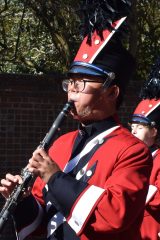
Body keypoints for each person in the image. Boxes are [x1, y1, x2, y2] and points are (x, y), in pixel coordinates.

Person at [0, 1, 152, 240]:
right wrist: (22, 201)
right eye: (70, 82)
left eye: (82, 83)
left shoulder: (132, 150)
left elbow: (114, 215)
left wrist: (55, 177)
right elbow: (44, 222)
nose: (72, 91)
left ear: (112, 92)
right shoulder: (61, 143)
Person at [129, 56, 160, 240]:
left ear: (154, 131)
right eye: (132, 127)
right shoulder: (127, 155)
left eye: (139, 128)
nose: (133, 132)